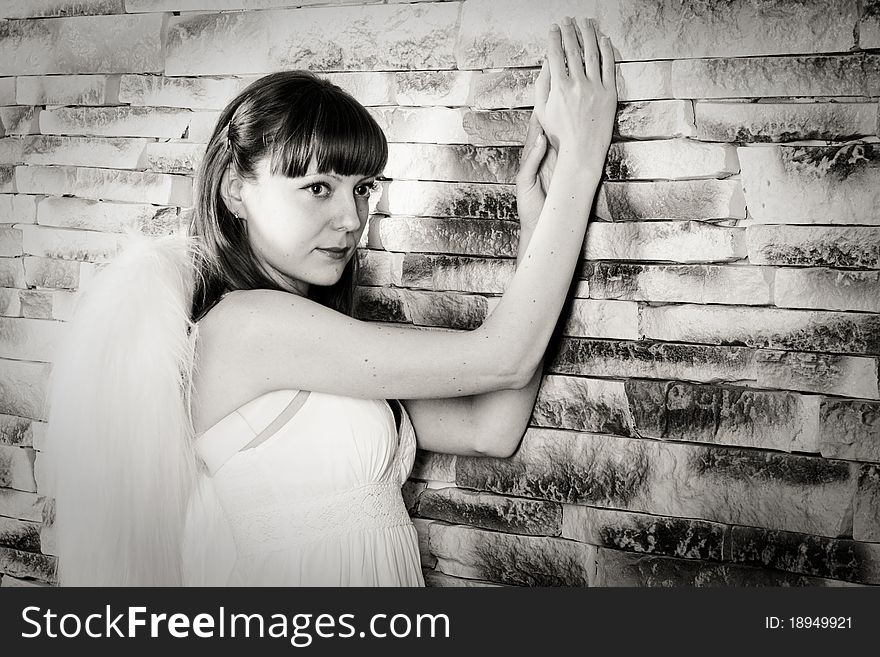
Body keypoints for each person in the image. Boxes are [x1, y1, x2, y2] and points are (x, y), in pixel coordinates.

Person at [45, 17, 617, 586]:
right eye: (318, 187)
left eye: (362, 188)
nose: (351, 220)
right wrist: (581, 162)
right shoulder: (250, 327)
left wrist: (536, 223)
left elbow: (489, 427)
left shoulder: (318, 340)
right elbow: (504, 356)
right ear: (235, 191)